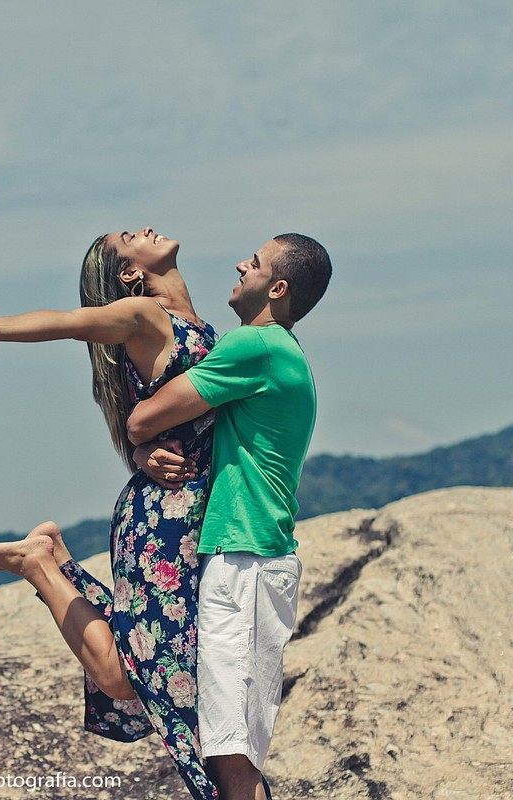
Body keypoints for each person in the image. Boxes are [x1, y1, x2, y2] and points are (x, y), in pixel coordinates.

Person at [0, 227, 219, 799]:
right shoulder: (143, 315)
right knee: (129, 675)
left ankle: (49, 555)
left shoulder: (194, 325)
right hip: (163, 524)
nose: (147, 229)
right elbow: (66, 322)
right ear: (129, 273)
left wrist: (138, 444)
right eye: (131, 237)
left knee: (152, 668)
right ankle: (40, 565)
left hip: (183, 514)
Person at [126, 233, 332, 800]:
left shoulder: (257, 347)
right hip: (249, 555)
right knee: (228, 748)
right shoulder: (269, 351)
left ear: (278, 287)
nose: (242, 264)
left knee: (229, 752)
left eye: (257, 262)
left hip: (247, 561)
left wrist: (136, 436)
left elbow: (148, 417)